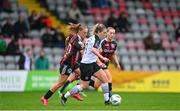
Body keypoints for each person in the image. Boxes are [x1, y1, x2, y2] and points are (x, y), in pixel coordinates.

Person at [61, 23, 111, 105]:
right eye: (104, 32)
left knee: (105, 79)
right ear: (98, 32)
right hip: (87, 65)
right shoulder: (97, 39)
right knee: (84, 85)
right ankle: (65, 96)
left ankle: (107, 101)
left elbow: (85, 49)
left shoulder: (92, 38)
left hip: (92, 63)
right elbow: (93, 50)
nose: (105, 34)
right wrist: (102, 58)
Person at [41, 23, 88, 106]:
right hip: (67, 63)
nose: (86, 34)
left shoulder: (74, 37)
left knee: (84, 74)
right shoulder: (77, 40)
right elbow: (82, 49)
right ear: (79, 31)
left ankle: (75, 92)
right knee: (60, 83)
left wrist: (67, 49)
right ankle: (45, 97)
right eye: (84, 33)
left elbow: (67, 40)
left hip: (73, 63)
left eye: (86, 33)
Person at [89, 27, 121, 99]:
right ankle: (110, 98)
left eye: (113, 33)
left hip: (105, 64)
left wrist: (117, 64)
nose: (112, 35)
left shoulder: (114, 44)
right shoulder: (102, 43)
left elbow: (113, 54)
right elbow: (96, 54)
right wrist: (100, 62)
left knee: (96, 86)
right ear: (106, 33)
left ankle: (85, 79)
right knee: (109, 79)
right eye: (111, 33)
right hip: (99, 64)